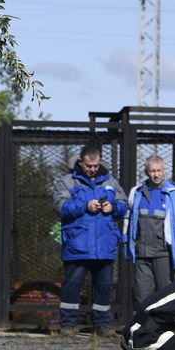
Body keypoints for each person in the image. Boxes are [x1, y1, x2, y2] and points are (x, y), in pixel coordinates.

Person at [52, 144, 128, 337]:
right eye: (88, 166)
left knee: (104, 286)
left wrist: (114, 207)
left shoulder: (110, 181)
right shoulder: (67, 181)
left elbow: (124, 204)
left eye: (95, 165)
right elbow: (61, 206)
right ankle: (68, 324)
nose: (92, 169)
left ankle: (101, 325)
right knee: (72, 284)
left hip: (105, 244)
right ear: (81, 162)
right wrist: (85, 206)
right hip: (78, 243)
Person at [123, 155, 175, 305]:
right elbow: (128, 219)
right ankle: (145, 326)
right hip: (142, 253)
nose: (156, 174)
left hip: (164, 253)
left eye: (159, 170)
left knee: (167, 293)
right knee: (142, 293)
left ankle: (167, 326)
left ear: (164, 170)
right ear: (146, 172)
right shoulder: (136, 193)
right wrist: (126, 242)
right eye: (152, 171)